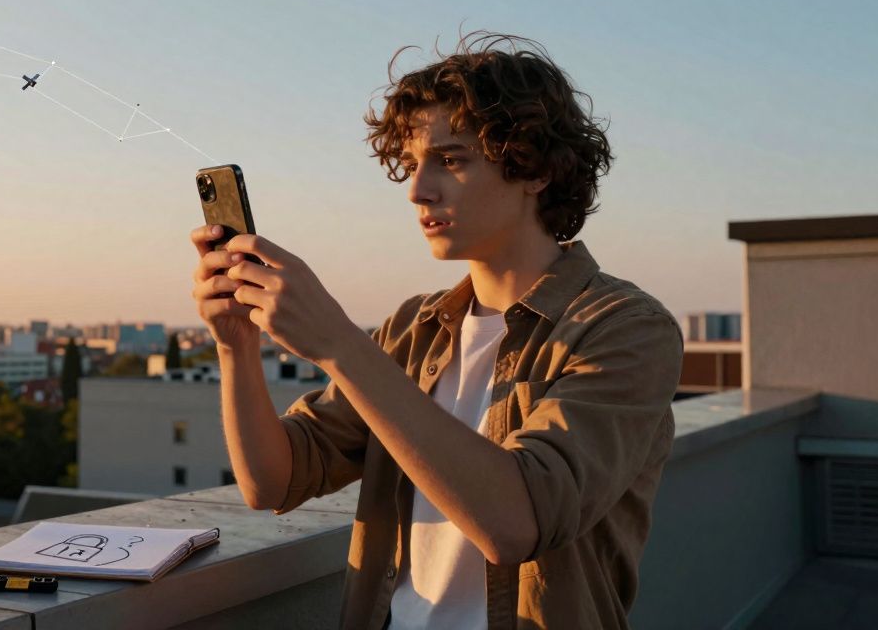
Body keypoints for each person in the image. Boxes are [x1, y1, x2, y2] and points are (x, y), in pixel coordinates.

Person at [189, 33, 684, 630]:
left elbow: (517, 523)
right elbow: (273, 481)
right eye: (414, 163)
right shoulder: (414, 328)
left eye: (451, 161)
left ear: (534, 168)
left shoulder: (626, 329)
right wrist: (235, 344)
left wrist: (341, 346)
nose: (418, 190)